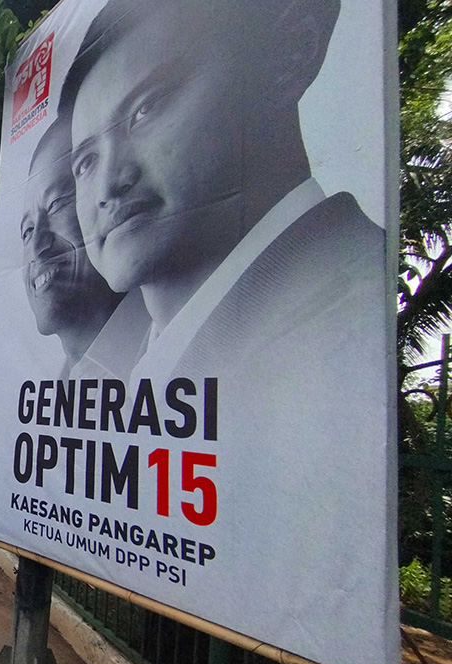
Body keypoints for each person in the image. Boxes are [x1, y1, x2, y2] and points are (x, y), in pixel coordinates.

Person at [58, 0, 381, 381]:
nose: (109, 184)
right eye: (86, 162)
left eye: (147, 108)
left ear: (293, 54)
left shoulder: (351, 312)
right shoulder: (136, 362)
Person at [21, 116, 146, 379]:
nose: (36, 245)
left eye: (56, 204)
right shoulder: (55, 391)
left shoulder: (163, 351)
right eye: (27, 230)